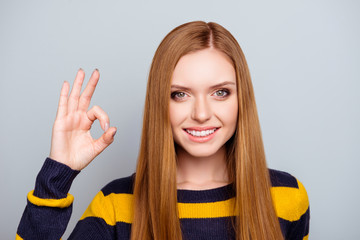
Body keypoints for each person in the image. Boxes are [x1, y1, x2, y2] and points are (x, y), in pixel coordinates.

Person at [16, 21, 310, 240]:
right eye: (180, 94)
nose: (202, 114)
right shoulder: (116, 206)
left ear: (241, 98)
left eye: (220, 92)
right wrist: (57, 175)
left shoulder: (287, 197)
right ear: (160, 103)